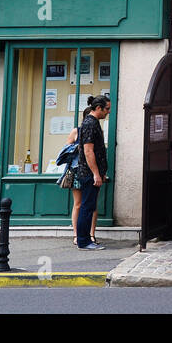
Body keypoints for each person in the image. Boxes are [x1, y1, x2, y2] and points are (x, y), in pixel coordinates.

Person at [75, 95, 111, 250]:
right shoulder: (90, 124)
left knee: (88, 206)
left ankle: (85, 240)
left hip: (91, 173)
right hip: (89, 174)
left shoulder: (92, 123)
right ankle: (84, 241)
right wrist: (96, 173)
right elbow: (88, 151)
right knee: (87, 207)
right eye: (107, 109)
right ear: (98, 108)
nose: (108, 112)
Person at [65, 108, 97, 246]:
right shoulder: (76, 131)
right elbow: (66, 150)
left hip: (91, 171)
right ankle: (77, 235)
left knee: (92, 205)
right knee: (78, 204)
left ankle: (91, 234)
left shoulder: (96, 131)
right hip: (77, 170)